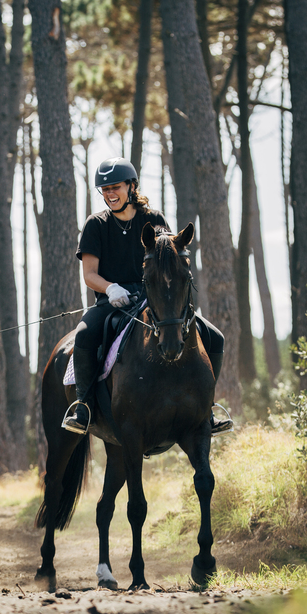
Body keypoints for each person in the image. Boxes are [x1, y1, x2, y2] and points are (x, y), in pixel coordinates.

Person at [61, 157, 234, 437]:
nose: (109, 194)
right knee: (84, 334)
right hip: (112, 300)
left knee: (215, 336)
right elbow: (90, 274)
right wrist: (111, 289)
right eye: (104, 190)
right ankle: (83, 407)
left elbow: (168, 263)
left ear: (132, 186)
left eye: (115, 187)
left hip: (154, 299)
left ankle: (208, 406)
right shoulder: (95, 224)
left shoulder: (154, 220)